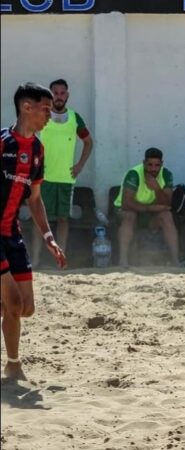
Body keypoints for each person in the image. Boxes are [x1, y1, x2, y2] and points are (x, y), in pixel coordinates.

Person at [1, 83, 67, 380]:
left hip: (11, 233)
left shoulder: (38, 150)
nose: (49, 115)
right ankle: (13, 365)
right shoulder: (3, 143)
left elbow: (35, 199)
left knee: (26, 308)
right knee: (12, 303)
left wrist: (48, 237)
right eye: (46, 109)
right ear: (26, 107)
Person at [32, 78, 94, 265]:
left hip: (66, 178)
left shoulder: (75, 118)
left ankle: (61, 260)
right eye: (55, 93)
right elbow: (26, 138)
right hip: (43, 178)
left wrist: (79, 165)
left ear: (67, 95)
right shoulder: (40, 115)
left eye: (62, 93)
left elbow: (88, 142)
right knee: (39, 221)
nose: (58, 97)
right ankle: (34, 260)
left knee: (63, 220)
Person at [113, 147, 180, 266]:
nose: (153, 169)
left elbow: (167, 203)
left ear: (162, 164)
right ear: (144, 163)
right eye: (150, 165)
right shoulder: (134, 174)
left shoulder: (166, 174)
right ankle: (123, 261)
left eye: (157, 165)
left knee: (167, 216)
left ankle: (175, 260)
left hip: (150, 213)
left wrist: (157, 189)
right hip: (126, 210)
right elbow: (126, 203)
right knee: (130, 216)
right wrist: (150, 208)